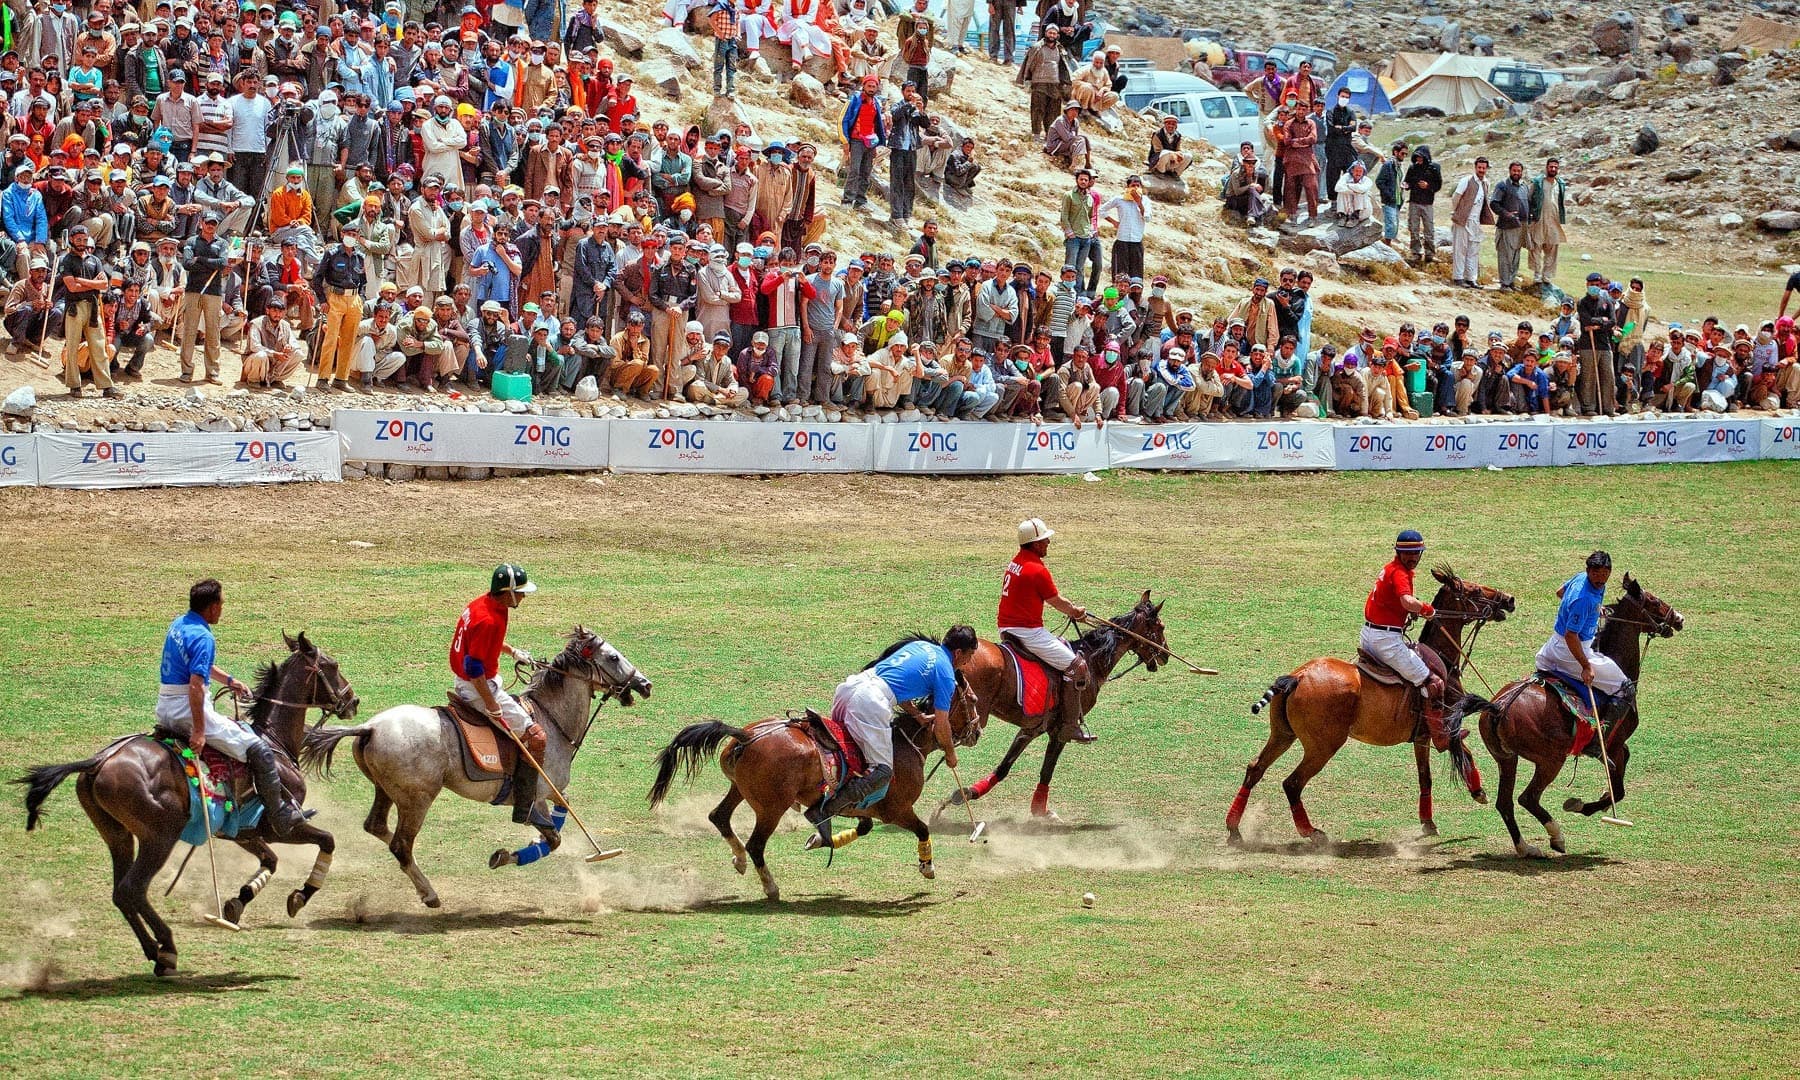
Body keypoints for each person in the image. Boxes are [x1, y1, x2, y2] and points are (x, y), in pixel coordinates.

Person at [156, 578, 304, 838]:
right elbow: (195, 687)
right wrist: (200, 731)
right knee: (259, 748)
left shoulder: (179, 624)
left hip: (165, 706)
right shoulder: (203, 637)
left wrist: (230, 681)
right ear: (212, 607)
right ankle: (279, 815)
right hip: (187, 712)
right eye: (221, 604)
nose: (222, 608)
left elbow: (198, 666)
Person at [806, 625, 977, 846]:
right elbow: (942, 724)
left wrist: (915, 714)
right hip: (870, 701)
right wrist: (950, 753)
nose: (968, 662)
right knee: (883, 771)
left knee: (848, 755)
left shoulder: (922, 647)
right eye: (969, 656)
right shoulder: (946, 672)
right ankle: (825, 811)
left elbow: (896, 682)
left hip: (850, 688)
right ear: (958, 653)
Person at [450, 564, 546, 823]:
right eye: (521, 592)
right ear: (508, 592)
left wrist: (513, 652)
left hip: (475, 679)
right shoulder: (489, 620)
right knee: (536, 737)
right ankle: (525, 808)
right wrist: (491, 703)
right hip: (477, 686)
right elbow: (474, 667)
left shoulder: (485, 604)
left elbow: (482, 642)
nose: (524, 597)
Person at [998, 518, 1094, 745]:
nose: (1048, 542)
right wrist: (1075, 611)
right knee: (1078, 666)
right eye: (1044, 540)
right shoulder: (1037, 570)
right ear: (1034, 543)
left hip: (1007, 627)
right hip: (1028, 632)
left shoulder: (1016, 563)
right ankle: (1070, 726)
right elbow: (1056, 601)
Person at [1361, 530, 1453, 752]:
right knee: (1433, 683)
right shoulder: (1399, 573)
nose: (1412, 557)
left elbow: (1397, 602)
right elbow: (1406, 600)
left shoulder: (1392, 568)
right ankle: (1439, 734)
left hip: (1371, 635)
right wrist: (1426, 609)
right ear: (1398, 552)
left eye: (1416, 553)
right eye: (1407, 553)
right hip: (1386, 641)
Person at [1534, 551, 1634, 730]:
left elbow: (1560, 592)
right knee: (1625, 688)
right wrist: (1586, 666)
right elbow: (1571, 636)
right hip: (1571, 652)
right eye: (1596, 574)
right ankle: (1599, 737)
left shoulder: (1581, 579)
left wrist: (1594, 610)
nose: (1601, 579)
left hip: (1553, 646)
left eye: (1605, 574)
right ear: (1588, 570)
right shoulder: (1584, 599)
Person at [1527, 158, 1567, 293]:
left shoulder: (1560, 184)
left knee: (1552, 249)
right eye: (1551, 167)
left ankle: (1547, 277)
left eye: (1556, 167)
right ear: (1546, 167)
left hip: (1553, 220)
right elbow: (1529, 198)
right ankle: (1537, 277)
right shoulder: (1537, 182)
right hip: (1538, 219)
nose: (1553, 169)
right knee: (1536, 247)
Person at [1448, 157, 1489, 288]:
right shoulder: (1466, 181)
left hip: (1475, 221)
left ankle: (1471, 278)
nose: (1481, 170)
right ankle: (1458, 277)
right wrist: (1458, 212)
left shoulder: (1486, 183)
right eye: (1479, 167)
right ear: (1475, 167)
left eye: (1484, 168)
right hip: (1463, 220)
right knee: (1460, 249)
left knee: (1473, 250)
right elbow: (1456, 197)